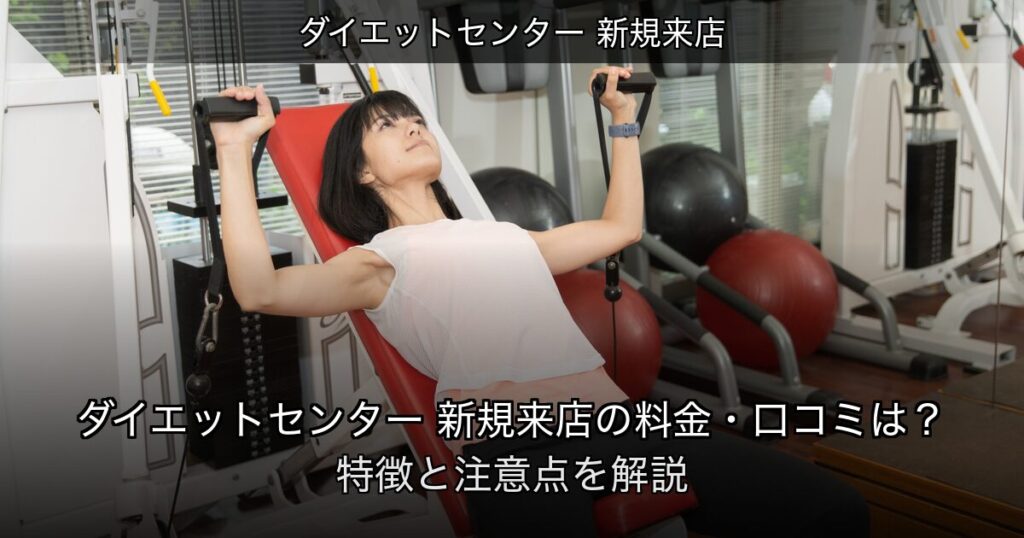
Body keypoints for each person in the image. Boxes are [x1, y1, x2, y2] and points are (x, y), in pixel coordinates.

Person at [211, 66, 869, 538]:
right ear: (362, 171)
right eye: (388, 126)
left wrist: (622, 121)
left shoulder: (506, 236)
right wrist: (235, 151)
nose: (412, 127)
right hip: (515, 446)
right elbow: (259, 289)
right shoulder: (379, 261)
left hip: (618, 426)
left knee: (832, 510)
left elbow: (621, 229)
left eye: (415, 119)